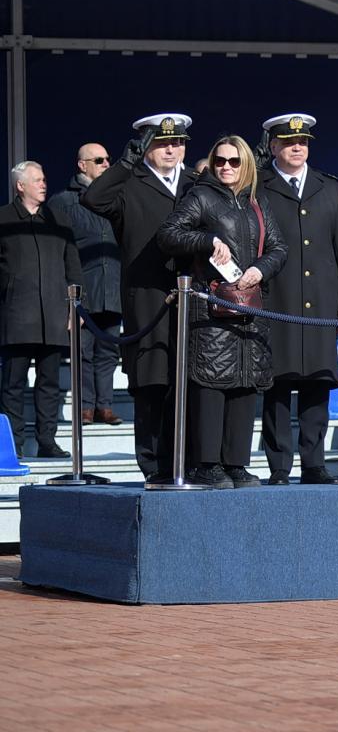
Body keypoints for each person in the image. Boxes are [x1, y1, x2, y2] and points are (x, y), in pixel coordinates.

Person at [156, 136, 286, 489]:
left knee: (245, 382)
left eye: (234, 161)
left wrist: (260, 269)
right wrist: (206, 240)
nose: (226, 167)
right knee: (211, 384)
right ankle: (207, 463)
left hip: (249, 307)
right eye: (220, 161)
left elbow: (278, 247)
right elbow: (168, 235)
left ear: (246, 165)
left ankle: (235, 463)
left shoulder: (256, 201)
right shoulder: (201, 196)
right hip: (211, 308)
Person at [81, 113, 196, 481]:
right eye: (161, 143)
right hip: (148, 300)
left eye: (177, 142)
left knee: (190, 384)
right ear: (146, 147)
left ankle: (189, 460)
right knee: (152, 383)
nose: (171, 149)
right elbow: (93, 198)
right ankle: (154, 465)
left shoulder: (196, 184)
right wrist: (125, 163)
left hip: (193, 299)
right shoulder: (130, 183)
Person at [257, 113, 338, 486]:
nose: (297, 147)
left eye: (303, 142)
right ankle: (279, 466)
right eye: (289, 142)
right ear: (273, 146)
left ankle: (314, 463)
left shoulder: (328, 187)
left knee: (317, 383)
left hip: (321, 301)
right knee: (277, 386)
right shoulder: (259, 186)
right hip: (276, 301)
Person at [0, 162, 82, 457]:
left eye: (44, 179)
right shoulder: (4, 219)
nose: (44, 184)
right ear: (20, 186)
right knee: (13, 383)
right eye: (37, 180)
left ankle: (47, 441)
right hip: (16, 315)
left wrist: (75, 307)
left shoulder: (59, 220)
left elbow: (73, 266)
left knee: (49, 383)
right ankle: (14, 444)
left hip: (53, 315)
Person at [49, 144, 123, 426]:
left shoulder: (117, 197)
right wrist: (66, 294)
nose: (106, 164)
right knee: (83, 351)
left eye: (108, 159)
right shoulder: (63, 202)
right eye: (99, 160)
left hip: (112, 286)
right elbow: (56, 251)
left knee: (108, 350)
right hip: (82, 290)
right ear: (82, 165)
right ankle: (86, 406)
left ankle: (105, 406)